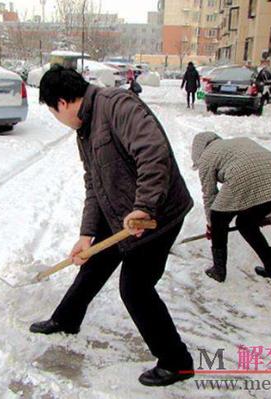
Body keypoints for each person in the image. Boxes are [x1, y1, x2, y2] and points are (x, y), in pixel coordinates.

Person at [30, 65, 195, 387]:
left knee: (135, 287)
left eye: (52, 112)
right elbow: (94, 184)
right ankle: (67, 319)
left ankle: (178, 362)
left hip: (158, 212)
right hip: (124, 210)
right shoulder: (86, 129)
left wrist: (143, 206)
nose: (57, 118)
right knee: (94, 260)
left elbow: (153, 153)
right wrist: (87, 234)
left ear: (62, 103)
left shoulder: (118, 105)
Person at [191, 132, 271, 284]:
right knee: (246, 224)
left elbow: (209, 195)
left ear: (198, 149)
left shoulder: (206, 157)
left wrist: (212, 226)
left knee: (218, 217)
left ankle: (218, 270)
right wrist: (265, 212)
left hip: (247, 179)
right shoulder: (238, 142)